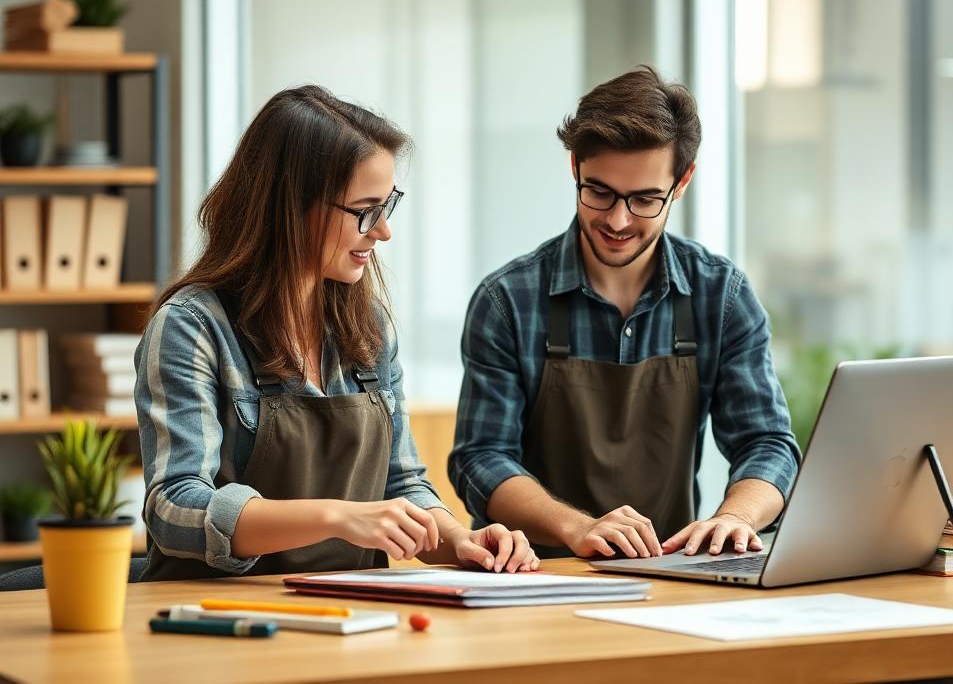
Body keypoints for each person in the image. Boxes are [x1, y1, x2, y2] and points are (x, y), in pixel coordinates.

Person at [136, 85, 537, 580]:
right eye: (366, 210)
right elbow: (174, 509)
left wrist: (460, 540)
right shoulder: (191, 327)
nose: (384, 231)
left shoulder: (369, 327)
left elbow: (401, 482)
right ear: (290, 206)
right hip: (223, 623)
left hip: (352, 617)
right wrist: (339, 516)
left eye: (388, 206)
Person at [449, 66, 801, 560]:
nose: (617, 220)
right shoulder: (509, 300)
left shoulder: (721, 296)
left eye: (644, 200)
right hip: (536, 578)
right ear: (575, 167)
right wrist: (578, 528)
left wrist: (735, 518)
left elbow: (768, 444)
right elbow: (481, 459)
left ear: (682, 183)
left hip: (674, 577)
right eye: (600, 192)